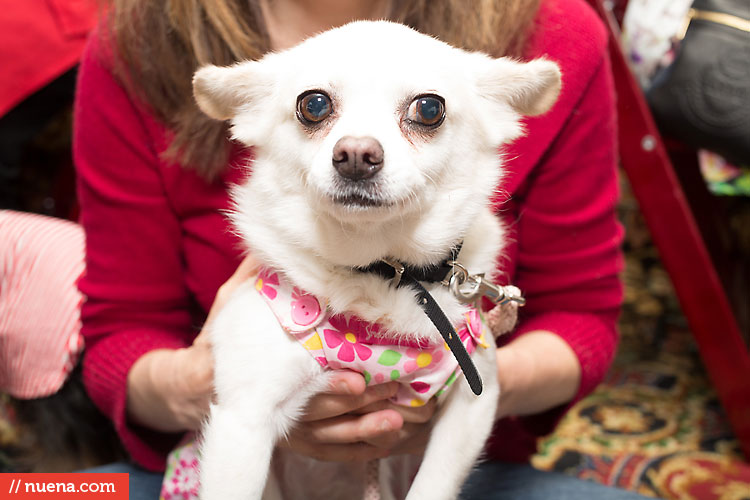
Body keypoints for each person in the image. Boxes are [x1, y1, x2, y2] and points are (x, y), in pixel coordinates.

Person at [75, 0, 642, 498]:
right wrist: (199, 384)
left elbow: (583, 318)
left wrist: (451, 384)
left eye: (423, 114)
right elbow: (115, 337)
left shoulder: (555, 28)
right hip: (211, 460)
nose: (357, 151)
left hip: (451, 474)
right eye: (316, 110)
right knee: (35, 492)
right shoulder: (135, 41)